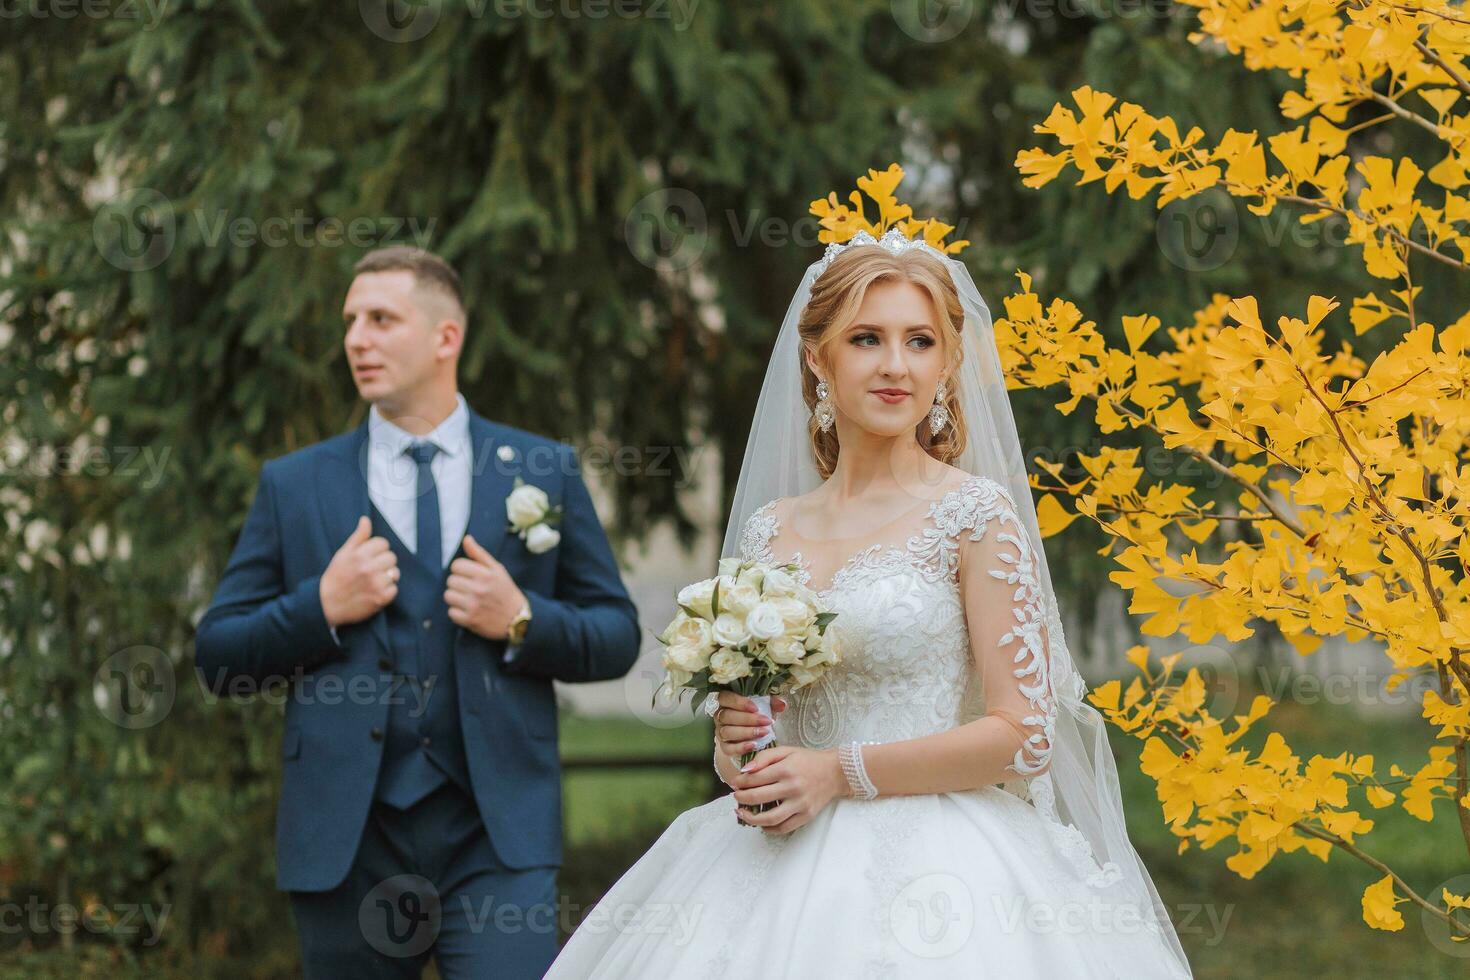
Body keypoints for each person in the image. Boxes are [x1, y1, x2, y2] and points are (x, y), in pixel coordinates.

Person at [542, 214, 1194, 976]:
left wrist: (840, 770)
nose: (897, 366)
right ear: (817, 358)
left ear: (949, 362)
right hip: (768, 870)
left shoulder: (974, 516)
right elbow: (764, 740)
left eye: (921, 341)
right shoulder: (767, 531)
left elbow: (1026, 734)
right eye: (867, 339)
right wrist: (740, 744)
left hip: (949, 870)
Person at [193, 245, 642, 979]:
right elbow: (217, 654)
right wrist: (321, 606)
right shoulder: (296, 485)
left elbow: (617, 635)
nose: (356, 339)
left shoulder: (540, 470)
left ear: (445, 338)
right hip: (349, 839)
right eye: (350, 322)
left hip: (495, 835)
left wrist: (523, 619)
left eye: (381, 319)